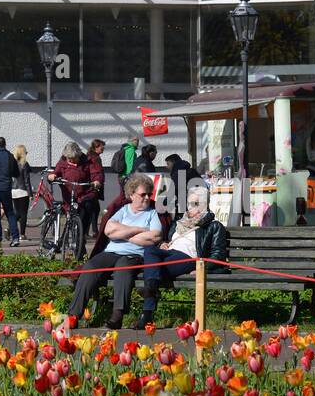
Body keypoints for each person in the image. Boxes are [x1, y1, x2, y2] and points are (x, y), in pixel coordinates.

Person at [65, 174, 162, 330]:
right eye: (142, 194)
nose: (146, 198)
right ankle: (74, 315)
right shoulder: (123, 210)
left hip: (134, 254)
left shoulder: (152, 213)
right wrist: (137, 230)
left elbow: (155, 236)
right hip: (112, 251)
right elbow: (109, 230)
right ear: (132, 195)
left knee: (123, 270)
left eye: (149, 194)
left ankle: (117, 316)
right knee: (90, 267)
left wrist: (122, 234)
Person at [134, 186, 227, 328]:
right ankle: (152, 290)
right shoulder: (179, 222)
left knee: (152, 273)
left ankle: (147, 313)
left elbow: (218, 255)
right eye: (189, 203)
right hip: (170, 253)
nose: (191, 207)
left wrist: (203, 268)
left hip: (188, 258)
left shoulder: (214, 226)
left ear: (205, 204)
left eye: (196, 204)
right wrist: (164, 244)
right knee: (150, 250)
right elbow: (169, 240)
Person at [53, 141, 98, 236]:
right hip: (69, 194)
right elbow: (55, 172)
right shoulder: (62, 162)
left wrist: (96, 181)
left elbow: (95, 173)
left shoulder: (87, 161)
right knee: (72, 215)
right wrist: (52, 176)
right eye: (69, 159)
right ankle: (75, 238)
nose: (72, 161)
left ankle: (81, 236)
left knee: (86, 210)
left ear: (79, 155)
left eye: (74, 158)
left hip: (85, 193)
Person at [163, 152, 203, 218]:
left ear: (173, 162)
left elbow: (173, 192)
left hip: (186, 207)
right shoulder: (192, 171)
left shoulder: (177, 174)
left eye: (168, 164)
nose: (167, 167)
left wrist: (164, 202)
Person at [12, 143, 33, 241]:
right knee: (23, 213)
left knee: (17, 212)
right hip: (23, 190)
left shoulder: (12, 163)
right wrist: (30, 194)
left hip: (14, 190)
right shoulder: (25, 164)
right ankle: (22, 234)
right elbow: (26, 180)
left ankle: (9, 228)